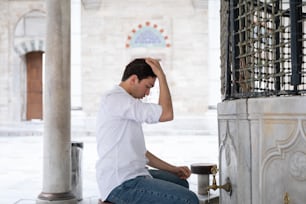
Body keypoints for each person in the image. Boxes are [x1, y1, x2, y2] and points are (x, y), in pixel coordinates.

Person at [96, 58, 199, 204]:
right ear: (133, 79)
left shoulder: (128, 103)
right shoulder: (116, 99)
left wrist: (173, 169)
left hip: (134, 174)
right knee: (189, 200)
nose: (148, 93)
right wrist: (162, 77)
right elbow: (166, 114)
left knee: (181, 183)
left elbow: (142, 153)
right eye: (148, 86)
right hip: (121, 183)